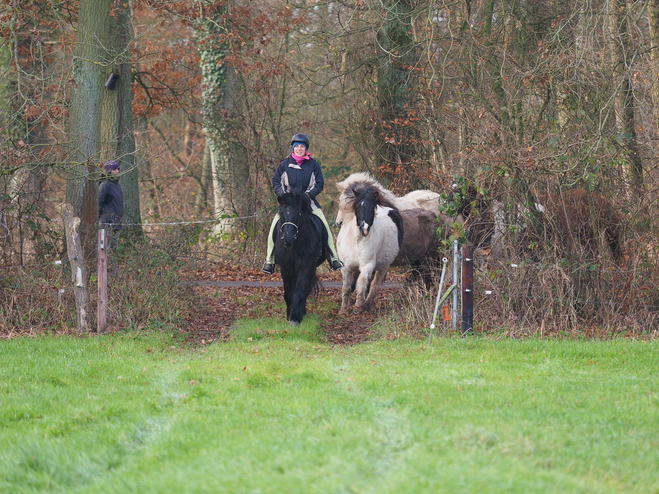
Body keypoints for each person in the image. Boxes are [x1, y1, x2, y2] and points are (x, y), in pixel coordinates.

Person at [262, 134, 344, 274]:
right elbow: (276, 181)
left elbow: (319, 184)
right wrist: (283, 195)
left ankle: (334, 258)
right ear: (292, 148)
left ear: (306, 149)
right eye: (297, 146)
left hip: (308, 203)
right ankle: (270, 260)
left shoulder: (313, 165)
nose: (299, 149)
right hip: (288, 204)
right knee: (273, 228)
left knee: (325, 227)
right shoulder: (284, 165)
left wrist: (308, 195)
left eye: (302, 146)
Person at [98, 160, 124, 252]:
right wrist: (100, 218)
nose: (117, 171)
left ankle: (113, 266)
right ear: (109, 171)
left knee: (114, 250)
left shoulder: (117, 185)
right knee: (104, 250)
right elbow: (99, 202)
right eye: (114, 169)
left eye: (118, 169)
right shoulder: (105, 185)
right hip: (106, 223)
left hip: (117, 223)